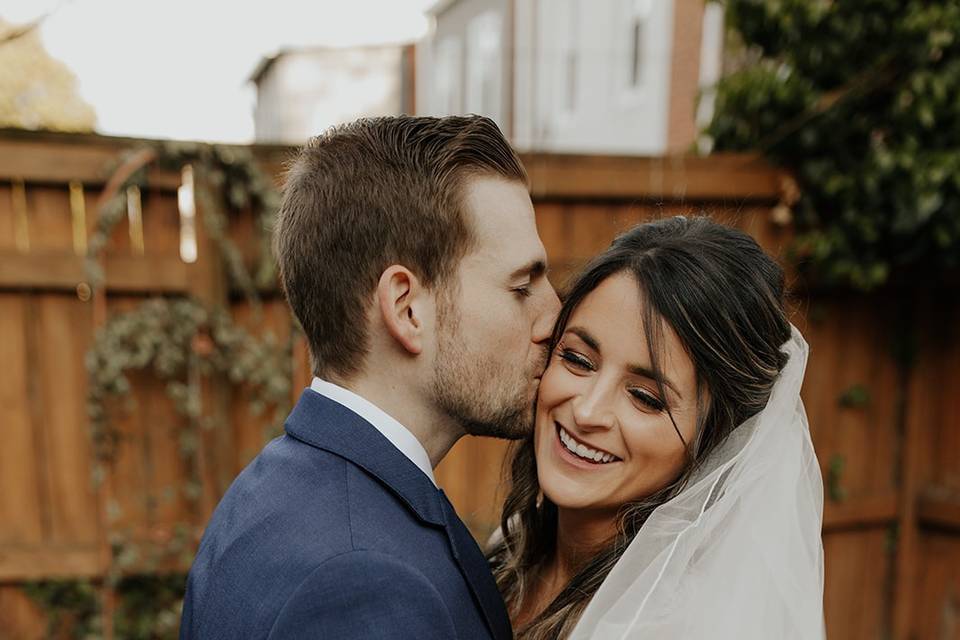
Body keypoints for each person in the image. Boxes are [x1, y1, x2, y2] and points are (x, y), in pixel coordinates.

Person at [180, 115, 559, 639]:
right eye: (522, 287)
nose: (554, 317)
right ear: (407, 309)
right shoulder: (363, 583)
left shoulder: (274, 491)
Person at [489, 216, 825, 639]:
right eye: (578, 360)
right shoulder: (513, 547)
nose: (588, 411)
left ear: (718, 439)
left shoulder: (678, 625)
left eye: (645, 398)